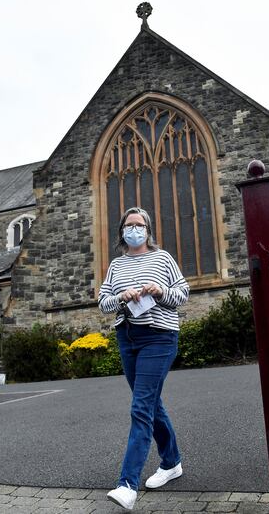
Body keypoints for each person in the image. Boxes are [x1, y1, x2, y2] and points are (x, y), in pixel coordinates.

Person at [99, 207, 189, 511]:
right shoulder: (116, 265)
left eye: (139, 225)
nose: (133, 229)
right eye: (128, 225)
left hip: (159, 337)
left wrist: (160, 291)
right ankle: (171, 462)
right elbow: (103, 301)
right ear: (122, 231)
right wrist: (122, 296)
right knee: (151, 403)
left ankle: (127, 484)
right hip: (127, 337)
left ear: (148, 230)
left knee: (140, 406)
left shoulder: (163, 259)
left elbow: (183, 293)